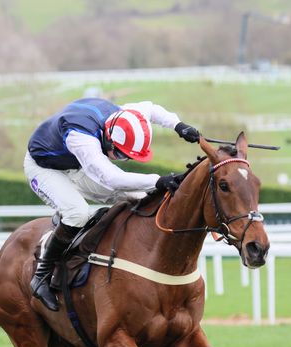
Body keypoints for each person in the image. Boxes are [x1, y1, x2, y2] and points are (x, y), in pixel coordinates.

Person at [24, 97, 200, 310]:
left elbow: (152, 109)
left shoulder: (124, 114)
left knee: (138, 196)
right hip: (44, 168)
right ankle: (41, 275)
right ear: (108, 137)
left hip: (75, 163)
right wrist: (158, 180)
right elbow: (111, 178)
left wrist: (178, 126)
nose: (120, 159)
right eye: (119, 154)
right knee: (78, 213)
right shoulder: (81, 139)